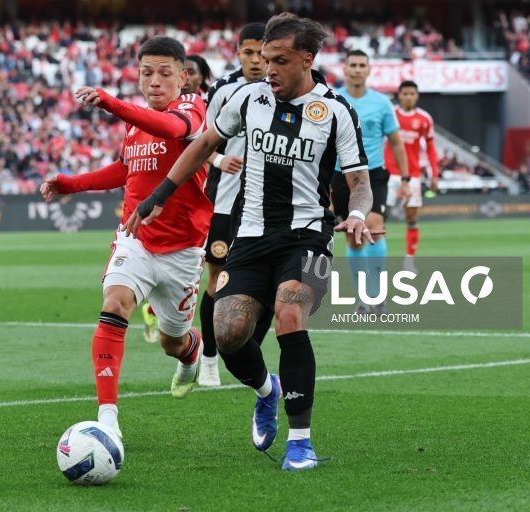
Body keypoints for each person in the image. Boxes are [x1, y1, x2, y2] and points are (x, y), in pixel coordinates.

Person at [125, 13, 374, 471]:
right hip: (252, 234)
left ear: (307, 58)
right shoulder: (247, 98)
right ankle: (267, 390)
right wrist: (159, 196)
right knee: (228, 331)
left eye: (279, 60)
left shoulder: (336, 110)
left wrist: (357, 213)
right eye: (263, 58)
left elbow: (359, 181)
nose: (269, 69)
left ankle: (301, 442)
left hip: (310, 235)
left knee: (290, 313)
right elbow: (201, 146)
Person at [40, 36, 212, 440]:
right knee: (115, 303)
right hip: (135, 236)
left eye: (164, 73)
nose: (154, 81)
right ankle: (108, 420)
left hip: (183, 248)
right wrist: (71, 184)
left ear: (183, 77)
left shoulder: (192, 109)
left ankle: (190, 354)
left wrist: (109, 102)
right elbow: (125, 170)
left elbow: (171, 127)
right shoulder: (137, 123)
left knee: (173, 340)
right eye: (146, 73)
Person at [197, 22, 274, 388]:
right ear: (238, 52)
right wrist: (216, 160)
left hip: (267, 205)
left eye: (262, 53)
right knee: (216, 278)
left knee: (269, 282)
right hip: (226, 201)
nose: (256, 60)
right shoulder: (224, 90)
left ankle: (247, 353)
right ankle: (210, 357)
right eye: (249, 53)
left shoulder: (282, 89)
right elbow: (200, 139)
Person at [141, 52, 213, 344]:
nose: (191, 78)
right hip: (196, 198)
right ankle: (156, 309)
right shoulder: (171, 110)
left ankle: (159, 310)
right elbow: (204, 146)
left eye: (195, 73)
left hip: (216, 195)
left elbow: (207, 141)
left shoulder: (204, 104)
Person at [331, 49, 410, 313]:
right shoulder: (333, 99)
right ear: (345, 69)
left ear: (368, 70)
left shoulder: (382, 103)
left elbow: (397, 143)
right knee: (354, 239)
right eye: (352, 64)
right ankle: (364, 297)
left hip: (373, 173)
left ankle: (377, 295)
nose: (356, 69)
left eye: (361, 65)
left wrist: (406, 178)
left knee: (374, 226)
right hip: (339, 174)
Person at [383, 80, 439, 273]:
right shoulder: (390, 114)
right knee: (380, 217)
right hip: (388, 174)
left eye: (412, 94)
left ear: (417, 96)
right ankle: (378, 260)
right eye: (405, 93)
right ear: (399, 95)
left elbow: (431, 148)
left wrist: (434, 174)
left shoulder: (424, 119)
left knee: (412, 217)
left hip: (413, 175)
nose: (408, 97)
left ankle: (409, 260)